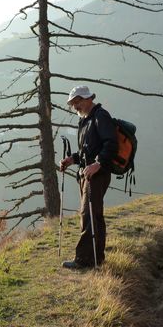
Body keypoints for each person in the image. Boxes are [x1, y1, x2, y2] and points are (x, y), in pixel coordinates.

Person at [60, 85, 118, 269]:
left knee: (87, 215)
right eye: (72, 104)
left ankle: (84, 261)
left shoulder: (101, 116)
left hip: (97, 174)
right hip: (87, 174)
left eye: (76, 102)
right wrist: (72, 159)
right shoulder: (86, 120)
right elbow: (87, 150)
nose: (74, 107)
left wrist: (98, 163)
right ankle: (96, 258)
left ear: (87, 99)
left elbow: (111, 144)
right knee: (94, 216)